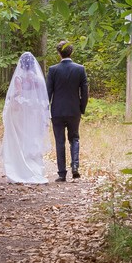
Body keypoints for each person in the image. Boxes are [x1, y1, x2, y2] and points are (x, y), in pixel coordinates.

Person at [1, 52, 50, 184]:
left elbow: (18, 95)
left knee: (20, 139)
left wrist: (10, 103)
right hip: (34, 113)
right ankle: (35, 168)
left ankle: (20, 168)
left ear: (21, 64)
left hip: (21, 113)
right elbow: (42, 98)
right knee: (32, 138)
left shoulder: (19, 78)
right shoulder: (38, 79)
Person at [46, 40, 89, 182]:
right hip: (73, 110)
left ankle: (62, 174)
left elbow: (48, 93)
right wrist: (81, 108)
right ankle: (75, 166)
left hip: (57, 111)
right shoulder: (80, 69)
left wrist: (46, 110)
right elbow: (85, 92)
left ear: (59, 53)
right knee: (74, 138)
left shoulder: (53, 70)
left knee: (60, 141)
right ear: (72, 52)